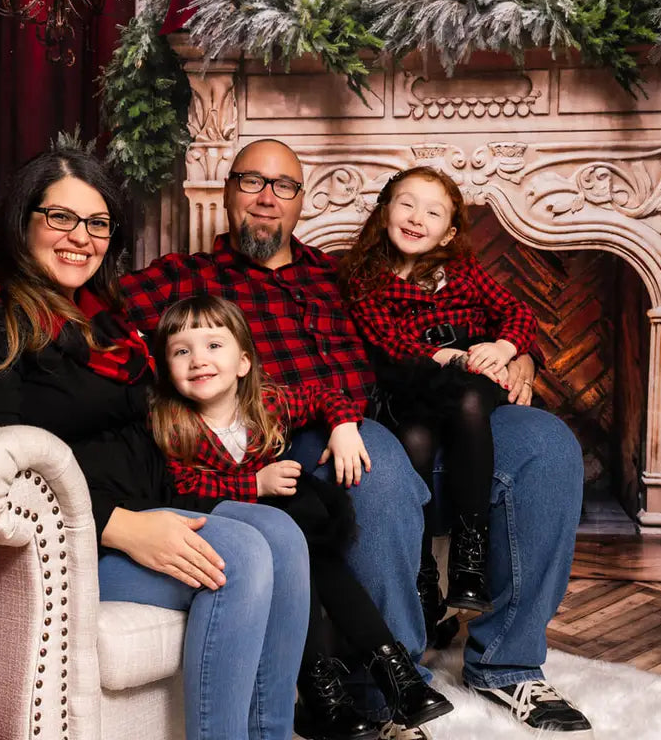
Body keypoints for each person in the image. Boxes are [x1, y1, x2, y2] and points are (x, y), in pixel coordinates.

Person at [0, 139, 592, 737]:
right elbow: (32, 314)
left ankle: (509, 665)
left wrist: (514, 350)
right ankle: (382, 692)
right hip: (292, 433)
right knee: (367, 469)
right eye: (253, 181)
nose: (268, 197)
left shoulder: (340, 275)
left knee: (547, 446)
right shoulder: (184, 280)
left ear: (303, 200)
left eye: (285, 185)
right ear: (229, 194)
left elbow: (421, 321)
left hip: (402, 408)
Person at [0, 149, 310, 740]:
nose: (81, 237)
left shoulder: (102, 317)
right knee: (241, 557)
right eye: (60, 218)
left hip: (154, 499)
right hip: (73, 545)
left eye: (98, 223)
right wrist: (118, 526)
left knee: (283, 536)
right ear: (21, 220)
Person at [150, 294, 453, 739]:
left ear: (243, 362)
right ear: (168, 368)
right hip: (229, 532)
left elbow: (328, 396)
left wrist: (343, 427)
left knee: (314, 551)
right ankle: (328, 692)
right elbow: (182, 489)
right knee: (299, 550)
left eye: (214, 346)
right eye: (182, 351)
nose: (199, 360)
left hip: (286, 533)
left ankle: (395, 677)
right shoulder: (172, 425)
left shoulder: (267, 405)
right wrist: (254, 485)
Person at [337, 166, 539, 625]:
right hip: (413, 380)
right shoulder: (365, 279)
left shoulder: (462, 271)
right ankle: (423, 572)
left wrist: (503, 348)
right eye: (406, 204)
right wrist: (447, 357)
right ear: (385, 211)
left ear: (448, 234)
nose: (416, 217)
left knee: (469, 398)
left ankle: (471, 557)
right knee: (414, 439)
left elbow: (516, 310)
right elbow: (389, 344)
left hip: (472, 376)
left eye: (432, 212)